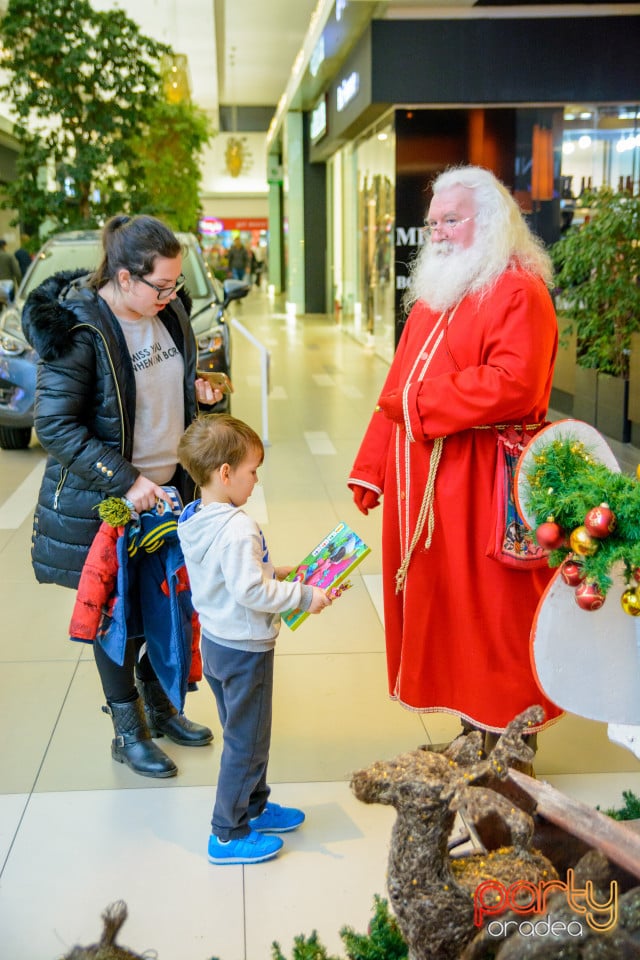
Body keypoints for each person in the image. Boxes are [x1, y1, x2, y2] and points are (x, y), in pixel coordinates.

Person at [348, 165, 563, 758]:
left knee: (493, 616)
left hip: (487, 486)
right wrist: (374, 466)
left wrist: (419, 403)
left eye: (451, 220)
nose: (437, 232)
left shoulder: (518, 289)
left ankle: (509, 748)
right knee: (449, 612)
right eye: (433, 221)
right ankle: (473, 730)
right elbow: (398, 383)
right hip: (430, 485)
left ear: (489, 223)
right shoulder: (437, 293)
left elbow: (514, 384)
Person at [21, 214, 226, 779]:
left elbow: (164, 391)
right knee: (120, 617)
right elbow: (56, 426)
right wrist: (129, 482)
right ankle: (127, 731)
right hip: (111, 500)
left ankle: (160, 708)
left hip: (169, 494)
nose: (171, 295)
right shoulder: (79, 329)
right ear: (123, 276)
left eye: (176, 284)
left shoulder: (171, 311)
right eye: (160, 285)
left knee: (168, 604)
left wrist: (198, 394)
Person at [177, 413, 333, 864]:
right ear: (225, 474)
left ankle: (255, 805)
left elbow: (230, 577)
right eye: (252, 471)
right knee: (247, 742)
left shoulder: (197, 517)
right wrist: (303, 596)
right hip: (246, 651)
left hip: (217, 644)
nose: (256, 481)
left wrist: (272, 570)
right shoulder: (239, 526)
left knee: (243, 733)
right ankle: (227, 833)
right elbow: (249, 590)